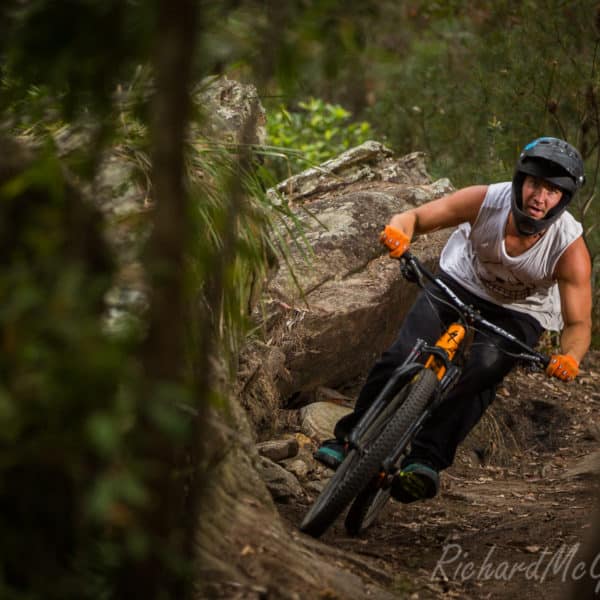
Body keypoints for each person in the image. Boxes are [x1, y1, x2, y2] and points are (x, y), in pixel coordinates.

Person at [314, 136, 592, 503]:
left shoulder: (569, 247)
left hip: (519, 312)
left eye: (553, 191)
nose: (540, 197)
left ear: (563, 199)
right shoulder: (485, 200)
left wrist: (569, 358)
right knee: (404, 354)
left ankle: (425, 460)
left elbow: (578, 325)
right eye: (536, 184)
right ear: (521, 179)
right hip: (459, 282)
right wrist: (400, 232)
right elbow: (414, 218)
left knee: (484, 369)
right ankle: (348, 439)